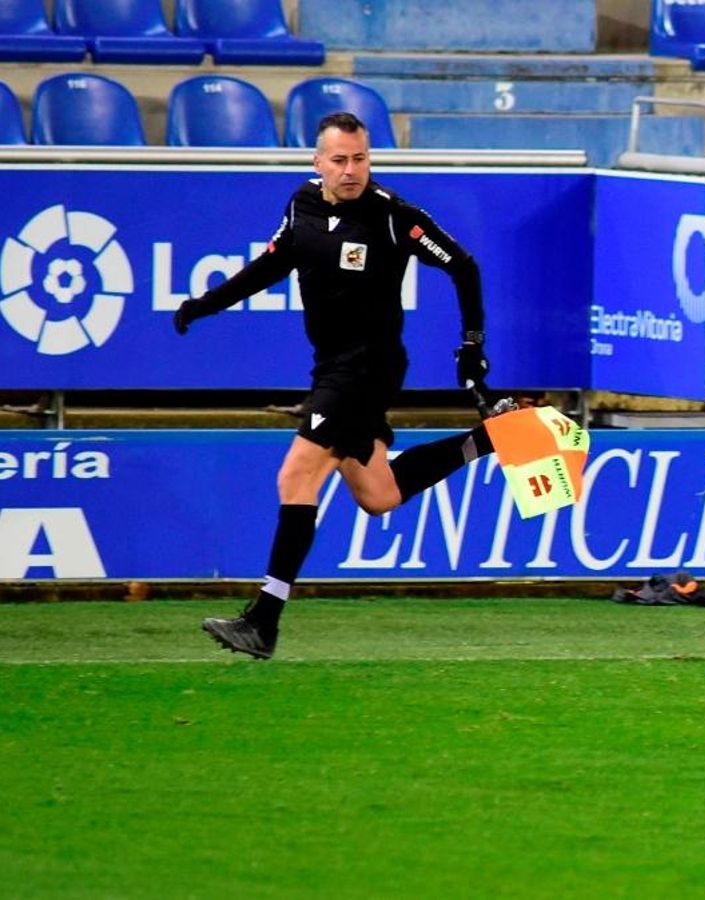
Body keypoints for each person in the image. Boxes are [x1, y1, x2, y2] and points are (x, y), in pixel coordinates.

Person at [174, 112, 497, 660]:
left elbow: (463, 266)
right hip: (331, 368)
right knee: (378, 495)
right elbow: (271, 264)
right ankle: (490, 439)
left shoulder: (394, 217)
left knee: (296, 474)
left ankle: (264, 620)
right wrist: (207, 304)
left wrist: (471, 345)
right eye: (341, 160)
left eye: (361, 158)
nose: (352, 171)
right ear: (317, 162)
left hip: (368, 368)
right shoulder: (301, 205)